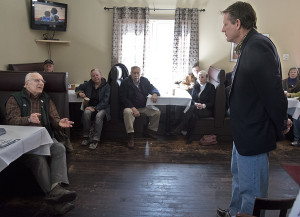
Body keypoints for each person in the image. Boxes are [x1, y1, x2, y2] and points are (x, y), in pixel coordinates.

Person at [217, 2, 291, 217]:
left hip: (254, 131)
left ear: (238, 23)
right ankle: (234, 213)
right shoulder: (249, 45)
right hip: (244, 130)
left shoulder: (258, 45)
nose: (223, 29)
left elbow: (273, 91)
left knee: (252, 189)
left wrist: (281, 121)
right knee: (239, 178)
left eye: (225, 24)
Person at [5, 72, 77, 215]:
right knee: (38, 159)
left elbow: (54, 118)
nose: (41, 83)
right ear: (26, 84)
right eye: (37, 80)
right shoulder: (15, 98)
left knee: (58, 147)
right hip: (25, 142)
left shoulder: (46, 98)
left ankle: (56, 188)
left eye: (42, 80)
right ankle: (56, 197)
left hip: (44, 139)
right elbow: (11, 121)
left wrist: (59, 122)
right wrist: (28, 120)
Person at [119, 66, 161, 148]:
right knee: (127, 112)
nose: (136, 75)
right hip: (130, 107)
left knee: (157, 112)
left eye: (138, 73)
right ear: (130, 73)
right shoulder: (125, 82)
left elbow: (153, 88)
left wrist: (155, 93)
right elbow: (122, 98)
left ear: (140, 73)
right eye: (134, 73)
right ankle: (130, 136)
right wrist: (133, 108)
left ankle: (150, 131)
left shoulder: (144, 80)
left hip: (143, 107)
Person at [172, 70, 216, 144]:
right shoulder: (196, 86)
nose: (200, 79)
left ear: (206, 78)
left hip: (206, 110)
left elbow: (212, 102)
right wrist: (195, 103)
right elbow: (192, 99)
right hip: (196, 108)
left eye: (202, 77)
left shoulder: (211, 87)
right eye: (199, 77)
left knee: (192, 109)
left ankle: (180, 127)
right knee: (193, 116)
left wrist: (203, 105)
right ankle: (190, 137)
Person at [75, 69, 111, 150]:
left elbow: (105, 101)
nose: (95, 77)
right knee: (86, 113)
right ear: (91, 77)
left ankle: (95, 139)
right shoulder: (88, 84)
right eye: (93, 75)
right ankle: (86, 136)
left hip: (103, 107)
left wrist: (95, 108)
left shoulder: (107, 86)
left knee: (98, 116)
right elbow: (78, 88)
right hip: (90, 106)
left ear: (100, 75)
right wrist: (80, 92)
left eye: (97, 75)